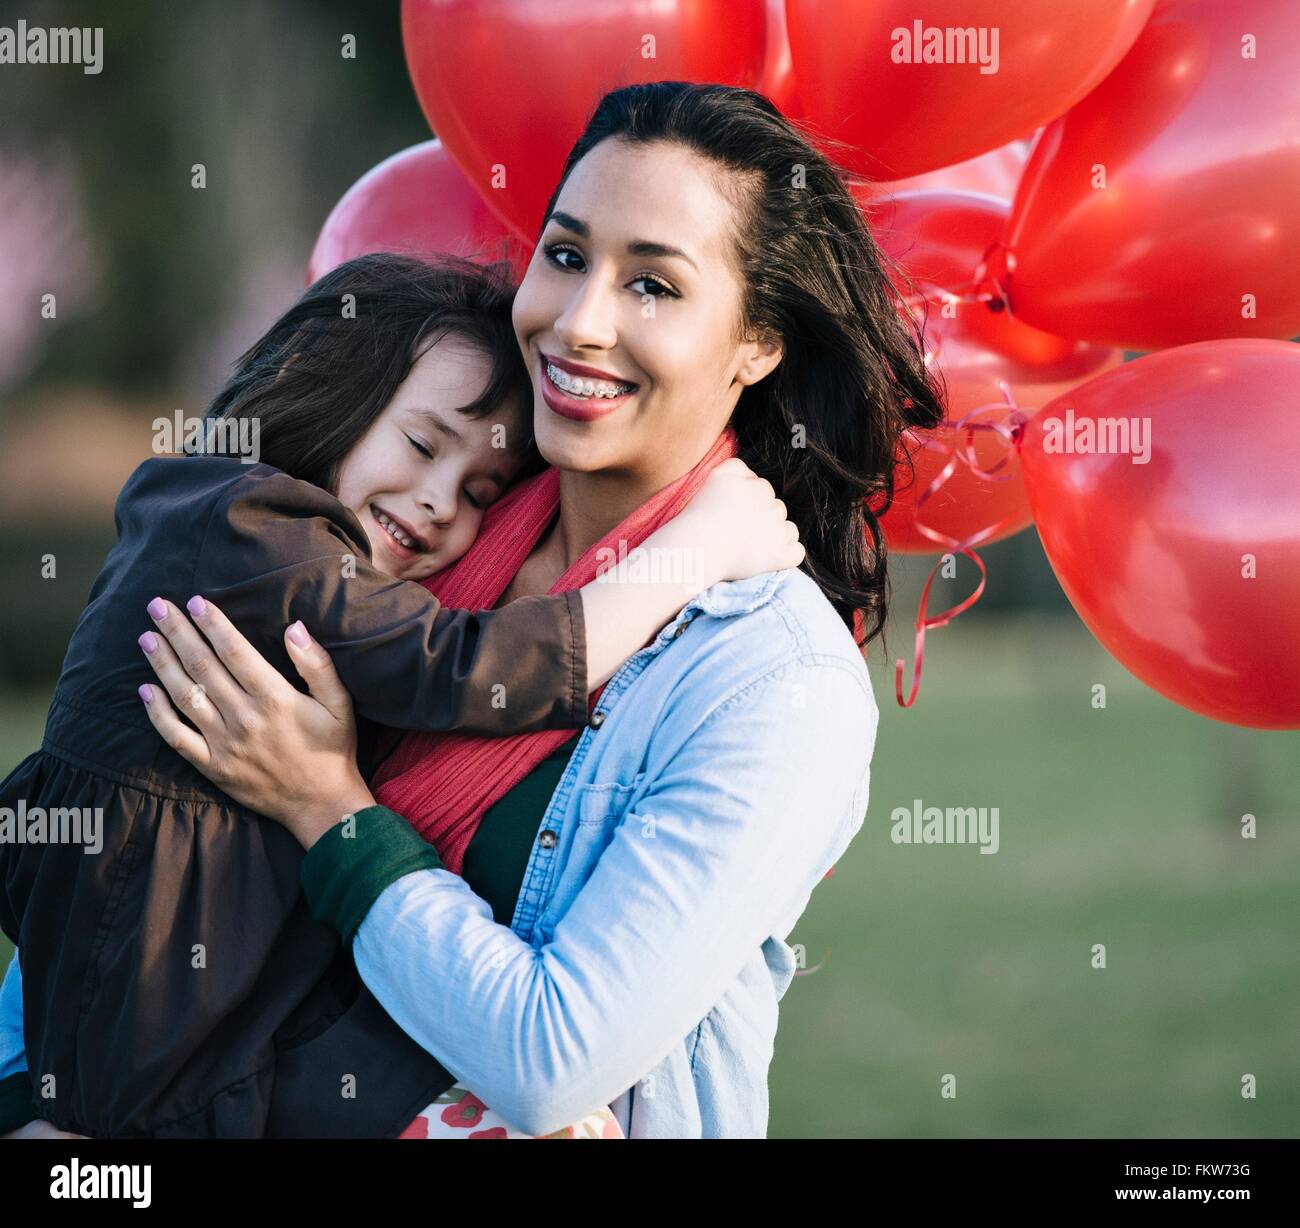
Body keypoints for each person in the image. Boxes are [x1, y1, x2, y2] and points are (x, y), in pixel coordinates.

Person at [108, 81, 947, 1139]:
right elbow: (136, 834)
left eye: (651, 284)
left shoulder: (775, 683)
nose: (579, 322)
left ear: (757, 343)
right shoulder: (416, 520)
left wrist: (326, 807)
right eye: (564, 255)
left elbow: (551, 1059)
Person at [0, 250, 802, 1138]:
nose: (434, 502)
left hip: (190, 1006)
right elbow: (468, 670)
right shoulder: (254, 534)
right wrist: (697, 551)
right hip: (168, 1025)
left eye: (476, 494)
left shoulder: (227, 526)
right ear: (326, 389)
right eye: (422, 446)